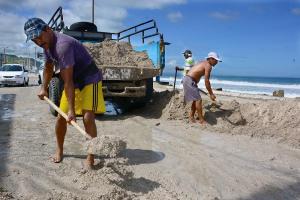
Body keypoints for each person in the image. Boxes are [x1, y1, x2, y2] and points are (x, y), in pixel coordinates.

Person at [24, 18, 106, 167]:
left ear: (48, 29)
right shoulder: (46, 45)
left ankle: (91, 156)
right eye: (34, 40)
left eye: (39, 36)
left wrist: (73, 111)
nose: (38, 42)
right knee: (61, 117)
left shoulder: (63, 45)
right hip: (74, 80)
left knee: (88, 117)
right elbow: (48, 68)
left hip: (90, 78)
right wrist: (44, 87)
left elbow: (67, 81)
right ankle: (60, 150)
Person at [182, 52, 222, 124]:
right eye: (216, 60)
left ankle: (191, 116)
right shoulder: (208, 66)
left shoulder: (203, 62)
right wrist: (211, 94)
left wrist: (195, 83)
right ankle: (201, 120)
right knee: (198, 100)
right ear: (211, 59)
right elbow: (207, 81)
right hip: (189, 80)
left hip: (189, 80)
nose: (217, 62)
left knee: (195, 100)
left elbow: (196, 73)